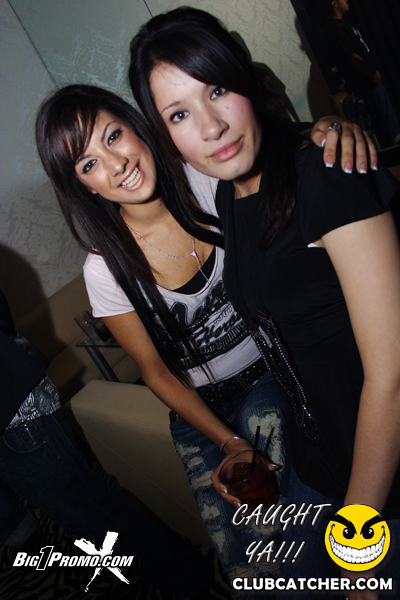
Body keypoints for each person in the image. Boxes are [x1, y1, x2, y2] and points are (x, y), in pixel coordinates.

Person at [35, 84, 367, 593]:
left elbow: (286, 160)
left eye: (113, 136)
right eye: (89, 164)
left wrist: (328, 128)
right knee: (242, 561)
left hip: (270, 372)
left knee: (294, 533)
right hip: (197, 407)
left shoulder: (208, 180)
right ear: (85, 187)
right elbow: (155, 372)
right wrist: (227, 441)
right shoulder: (105, 270)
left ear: (137, 127)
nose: (116, 164)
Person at [128, 7, 400, 599]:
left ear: (246, 82)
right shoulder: (230, 196)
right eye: (179, 113)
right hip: (317, 460)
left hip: (380, 475)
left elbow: (391, 377)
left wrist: (358, 542)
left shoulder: (327, 175)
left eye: (217, 90)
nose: (211, 126)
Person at [0, 286, 212, 599]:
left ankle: (185, 576)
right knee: (71, 509)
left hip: (16, 412)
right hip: (13, 411)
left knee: (88, 507)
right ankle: (142, 564)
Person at [322, 0, 400, 148]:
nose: (347, 1)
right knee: (387, 127)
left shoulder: (342, 25)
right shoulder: (335, 27)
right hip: (365, 83)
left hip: (368, 82)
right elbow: (350, 55)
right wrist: (370, 72)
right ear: (334, 3)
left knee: (386, 120)